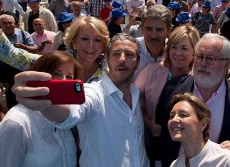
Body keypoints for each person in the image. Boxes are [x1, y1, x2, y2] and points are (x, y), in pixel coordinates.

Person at [11, 33, 149, 166]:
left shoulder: (135, 93)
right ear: (107, 59)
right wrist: (43, 100)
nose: (122, 59)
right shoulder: (93, 93)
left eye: (129, 54)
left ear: (137, 63)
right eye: (116, 54)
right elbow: (72, 113)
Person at [154, 33, 230, 166]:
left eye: (211, 59)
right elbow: (160, 135)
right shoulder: (172, 88)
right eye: (199, 56)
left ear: (227, 63)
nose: (203, 64)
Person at [0, 51, 81, 167]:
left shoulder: (66, 116)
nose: (63, 81)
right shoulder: (16, 123)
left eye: (69, 76)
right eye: (56, 73)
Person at [134, 25, 199, 165]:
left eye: (184, 48)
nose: (178, 53)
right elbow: (133, 99)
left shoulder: (199, 82)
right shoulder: (152, 70)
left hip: (181, 150)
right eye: (174, 47)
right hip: (151, 145)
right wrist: (147, 122)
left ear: (194, 53)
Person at [168, 93, 230, 167]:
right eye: (171, 116)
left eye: (183, 115)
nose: (174, 119)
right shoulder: (175, 165)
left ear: (203, 124)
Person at [134, 4, 172, 78]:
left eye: (159, 30)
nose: (153, 35)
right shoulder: (131, 49)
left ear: (169, 31)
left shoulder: (176, 52)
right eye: (149, 29)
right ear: (142, 28)